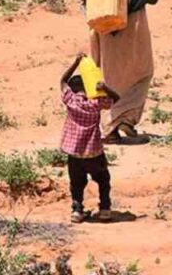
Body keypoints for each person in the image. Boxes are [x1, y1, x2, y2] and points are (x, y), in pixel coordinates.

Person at [79, 0, 160, 143]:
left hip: (107, 28)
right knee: (142, 73)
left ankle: (110, 129)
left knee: (107, 76)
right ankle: (125, 118)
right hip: (135, 27)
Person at [59, 53, 119, 223]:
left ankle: (77, 211)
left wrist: (75, 63)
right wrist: (103, 88)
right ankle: (105, 209)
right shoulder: (95, 103)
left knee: (76, 183)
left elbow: (63, 81)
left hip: (75, 152)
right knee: (103, 180)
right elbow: (117, 98)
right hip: (94, 152)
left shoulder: (70, 101)